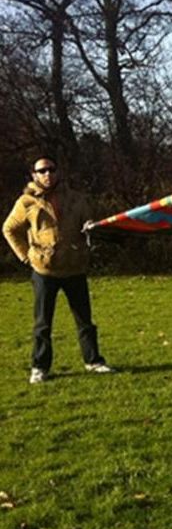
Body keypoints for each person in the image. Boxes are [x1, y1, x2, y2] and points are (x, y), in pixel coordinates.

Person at [3, 156, 115, 384]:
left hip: (75, 267)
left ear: (58, 172)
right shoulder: (26, 202)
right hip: (45, 272)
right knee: (43, 323)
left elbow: (90, 224)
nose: (47, 174)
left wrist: (91, 229)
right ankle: (40, 367)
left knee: (85, 320)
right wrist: (26, 256)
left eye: (51, 169)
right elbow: (9, 229)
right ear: (34, 175)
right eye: (42, 171)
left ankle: (94, 361)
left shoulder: (76, 199)